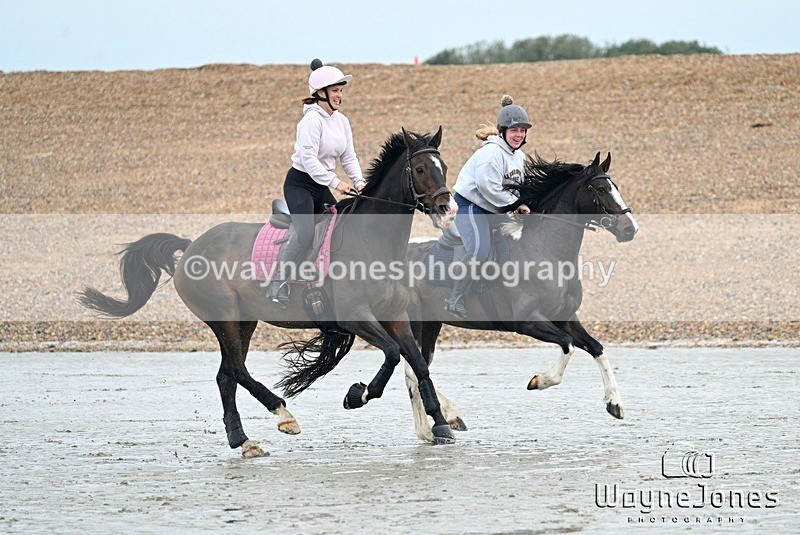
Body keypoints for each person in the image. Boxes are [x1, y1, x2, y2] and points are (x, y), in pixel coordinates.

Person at [269, 59, 366, 306]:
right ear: (320, 93)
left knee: (340, 226)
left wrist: (360, 182)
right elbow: (309, 161)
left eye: (341, 90)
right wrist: (337, 183)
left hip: (320, 185)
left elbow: (349, 156)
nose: (340, 95)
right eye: (335, 90)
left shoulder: (342, 121)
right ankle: (277, 282)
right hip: (300, 184)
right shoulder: (310, 121)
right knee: (306, 233)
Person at [444, 95, 532, 319]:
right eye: (514, 131)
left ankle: (490, 291)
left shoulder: (519, 156)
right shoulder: (491, 153)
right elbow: (488, 189)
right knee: (479, 250)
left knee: (510, 247)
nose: (519, 135)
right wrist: (515, 204)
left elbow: (518, 188)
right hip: (470, 206)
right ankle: (455, 298)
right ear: (503, 131)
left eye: (522, 131)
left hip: (494, 208)